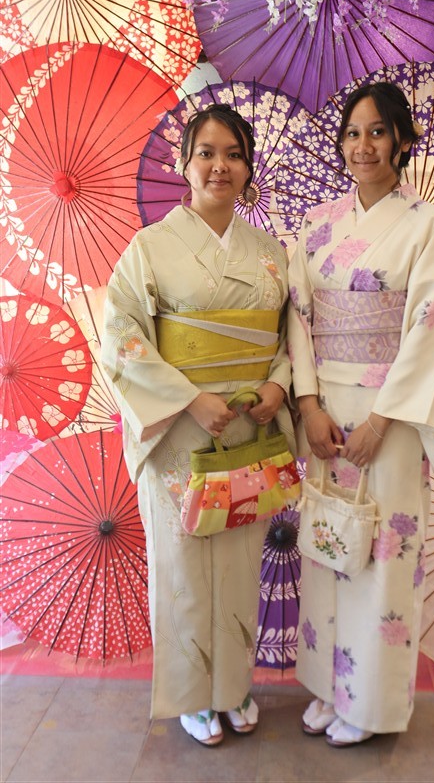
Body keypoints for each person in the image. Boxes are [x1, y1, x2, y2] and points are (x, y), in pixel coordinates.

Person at [101, 104, 294, 746]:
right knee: (183, 562)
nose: (220, 166)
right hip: (180, 430)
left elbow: (290, 336)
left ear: (248, 167)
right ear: (184, 164)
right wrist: (188, 399)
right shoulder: (149, 248)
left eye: (234, 154)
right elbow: (121, 335)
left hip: (247, 425)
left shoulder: (270, 253)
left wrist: (277, 384)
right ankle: (192, 696)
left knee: (240, 560)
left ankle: (233, 687)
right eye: (206, 152)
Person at [288, 82, 434, 747]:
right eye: (353, 132)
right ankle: (327, 687)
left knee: (383, 551)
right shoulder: (317, 226)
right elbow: (298, 316)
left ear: (402, 140)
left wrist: (382, 421)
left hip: (389, 415)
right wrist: (308, 405)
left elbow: (430, 327)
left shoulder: (425, 225)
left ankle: (369, 704)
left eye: (378, 131)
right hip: (327, 413)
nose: (363, 146)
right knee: (329, 544)